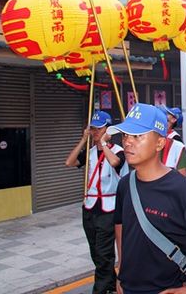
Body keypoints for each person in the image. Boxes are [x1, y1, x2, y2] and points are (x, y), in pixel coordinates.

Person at [108, 103, 186, 293]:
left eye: (137, 136)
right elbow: (120, 227)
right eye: (126, 135)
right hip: (128, 287)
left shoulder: (182, 190)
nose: (127, 142)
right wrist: (121, 270)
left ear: (160, 143)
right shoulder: (125, 185)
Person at [65, 111, 125, 294]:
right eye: (92, 128)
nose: (95, 132)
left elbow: (115, 162)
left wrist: (104, 143)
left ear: (108, 129)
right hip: (90, 208)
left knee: (103, 253)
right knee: (96, 252)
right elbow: (69, 162)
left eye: (98, 128)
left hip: (108, 209)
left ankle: (100, 289)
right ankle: (109, 284)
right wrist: (84, 140)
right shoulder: (90, 153)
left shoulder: (118, 151)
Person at [161, 106, 186, 177]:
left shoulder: (175, 138)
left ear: (174, 119)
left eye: (168, 113)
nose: (165, 114)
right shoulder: (161, 134)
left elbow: (182, 171)